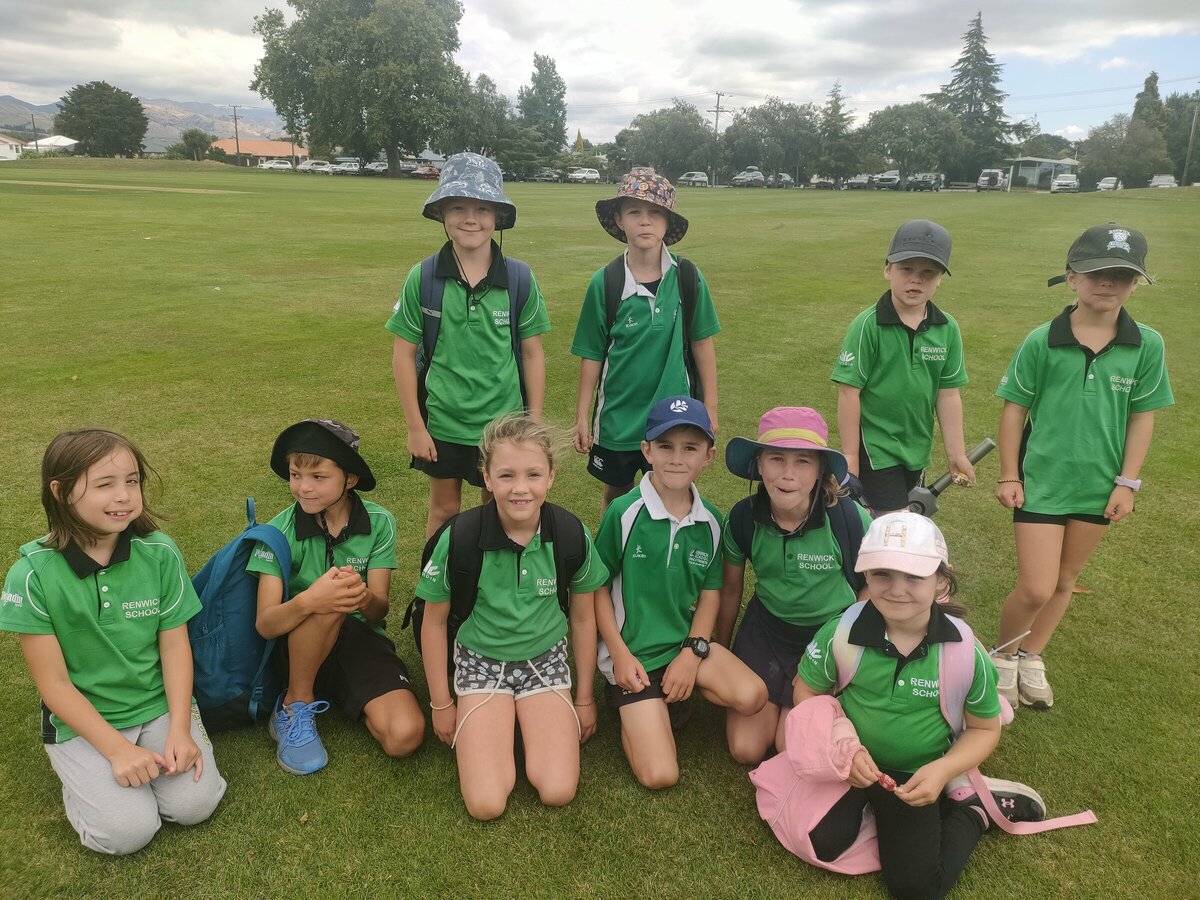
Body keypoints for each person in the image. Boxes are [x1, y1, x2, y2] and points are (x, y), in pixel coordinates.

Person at [794, 512, 1045, 899]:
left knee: (916, 889)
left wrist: (943, 769)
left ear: (942, 581)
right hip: (851, 765)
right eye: (882, 575)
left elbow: (983, 728)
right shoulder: (841, 632)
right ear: (866, 576)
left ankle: (972, 811)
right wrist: (842, 746)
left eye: (914, 576)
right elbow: (807, 693)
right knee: (821, 842)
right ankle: (882, 807)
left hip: (917, 775)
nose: (896, 589)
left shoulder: (964, 652)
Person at [0, 429, 225, 854]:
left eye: (132, 481)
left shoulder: (159, 552)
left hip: (156, 705)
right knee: (126, 833)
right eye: (105, 484)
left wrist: (179, 728)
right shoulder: (31, 575)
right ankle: (81, 779)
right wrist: (118, 750)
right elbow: (55, 686)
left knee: (196, 804)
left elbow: (175, 647)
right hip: (84, 721)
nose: (124, 496)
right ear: (61, 491)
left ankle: (141, 758)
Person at [992, 224, 1173, 709]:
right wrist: (1009, 473)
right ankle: (1002, 657)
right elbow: (1014, 410)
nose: (1107, 283)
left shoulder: (1147, 345)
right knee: (1035, 586)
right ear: (1071, 278)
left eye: (1120, 275)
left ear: (1136, 283)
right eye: (1095, 272)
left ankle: (1032, 655)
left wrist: (1127, 483)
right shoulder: (1042, 340)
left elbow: (1141, 416)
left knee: (1065, 581)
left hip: (1098, 486)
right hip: (1041, 482)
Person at [418, 414, 607, 821]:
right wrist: (440, 703)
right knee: (486, 803)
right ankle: (501, 719)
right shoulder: (460, 537)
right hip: (480, 664)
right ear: (486, 478)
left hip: (546, 662)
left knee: (557, 789)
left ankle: (529, 718)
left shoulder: (572, 534)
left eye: (533, 474)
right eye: (506, 475)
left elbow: (583, 619)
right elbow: (433, 622)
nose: (520, 488)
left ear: (551, 476)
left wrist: (585, 697)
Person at [594, 396, 766, 788]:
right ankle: (634, 707)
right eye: (665, 446)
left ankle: (675, 690)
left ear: (708, 456)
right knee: (660, 775)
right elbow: (596, 590)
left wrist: (692, 652)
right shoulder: (623, 513)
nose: (676, 458)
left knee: (752, 695)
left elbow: (710, 592)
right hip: (632, 657)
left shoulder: (711, 520)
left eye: (690, 448)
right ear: (646, 451)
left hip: (682, 647)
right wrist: (619, 655)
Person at [246, 419, 424, 775]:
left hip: (359, 642)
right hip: (295, 644)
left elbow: (378, 612)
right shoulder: (277, 531)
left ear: (350, 479)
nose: (303, 488)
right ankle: (295, 704)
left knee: (404, 736)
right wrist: (311, 600)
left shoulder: (380, 521)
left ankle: (344, 693)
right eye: (296, 475)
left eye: (318, 477)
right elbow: (266, 624)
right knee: (328, 598)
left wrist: (362, 598)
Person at [388, 152, 551, 537]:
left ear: (497, 216)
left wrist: (535, 420)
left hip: (504, 426)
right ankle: (436, 592)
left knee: (498, 513)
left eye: (482, 207)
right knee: (444, 510)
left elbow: (532, 352)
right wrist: (416, 426)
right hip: (444, 422)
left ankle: (488, 591)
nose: (470, 218)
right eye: (458, 207)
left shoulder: (519, 279)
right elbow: (403, 353)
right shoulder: (423, 277)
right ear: (442, 213)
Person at [716, 407, 871, 764]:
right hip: (766, 632)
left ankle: (811, 698)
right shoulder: (742, 518)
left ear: (820, 471)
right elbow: (730, 591)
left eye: (803, 461)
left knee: (790, 746)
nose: (787, 475)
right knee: (746, 749)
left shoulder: (848, 518)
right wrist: (720, 653)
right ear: (758, 465)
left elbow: (870, 589)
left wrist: (845, 648)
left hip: (827, 637)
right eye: (776, 459)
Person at [571, 171, 720, 511]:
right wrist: (582, 414)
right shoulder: (605, 282)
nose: (645, 222)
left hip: (675, 413)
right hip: (618, 417)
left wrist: (710, 405)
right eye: (634, 212)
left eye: (655, 213)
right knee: (616, 498)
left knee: (674, 494)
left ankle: (667, 561)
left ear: (668, 223)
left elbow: (702, 343)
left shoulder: (687, 277)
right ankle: (616, 563)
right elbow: (592, 355)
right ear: (619, 220)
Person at [832, 220, 973, 513]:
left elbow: (947, 395)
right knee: (897, 526)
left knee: (898, 527)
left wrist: (956, 452)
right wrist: (850, 456)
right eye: (906, 269)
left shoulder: (947, 328)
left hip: (916, 450)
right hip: (876, 449)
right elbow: (849, 392)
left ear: (940, 279)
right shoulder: (868, 325)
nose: (916, 280)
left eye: (928, 273)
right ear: (888, 271)